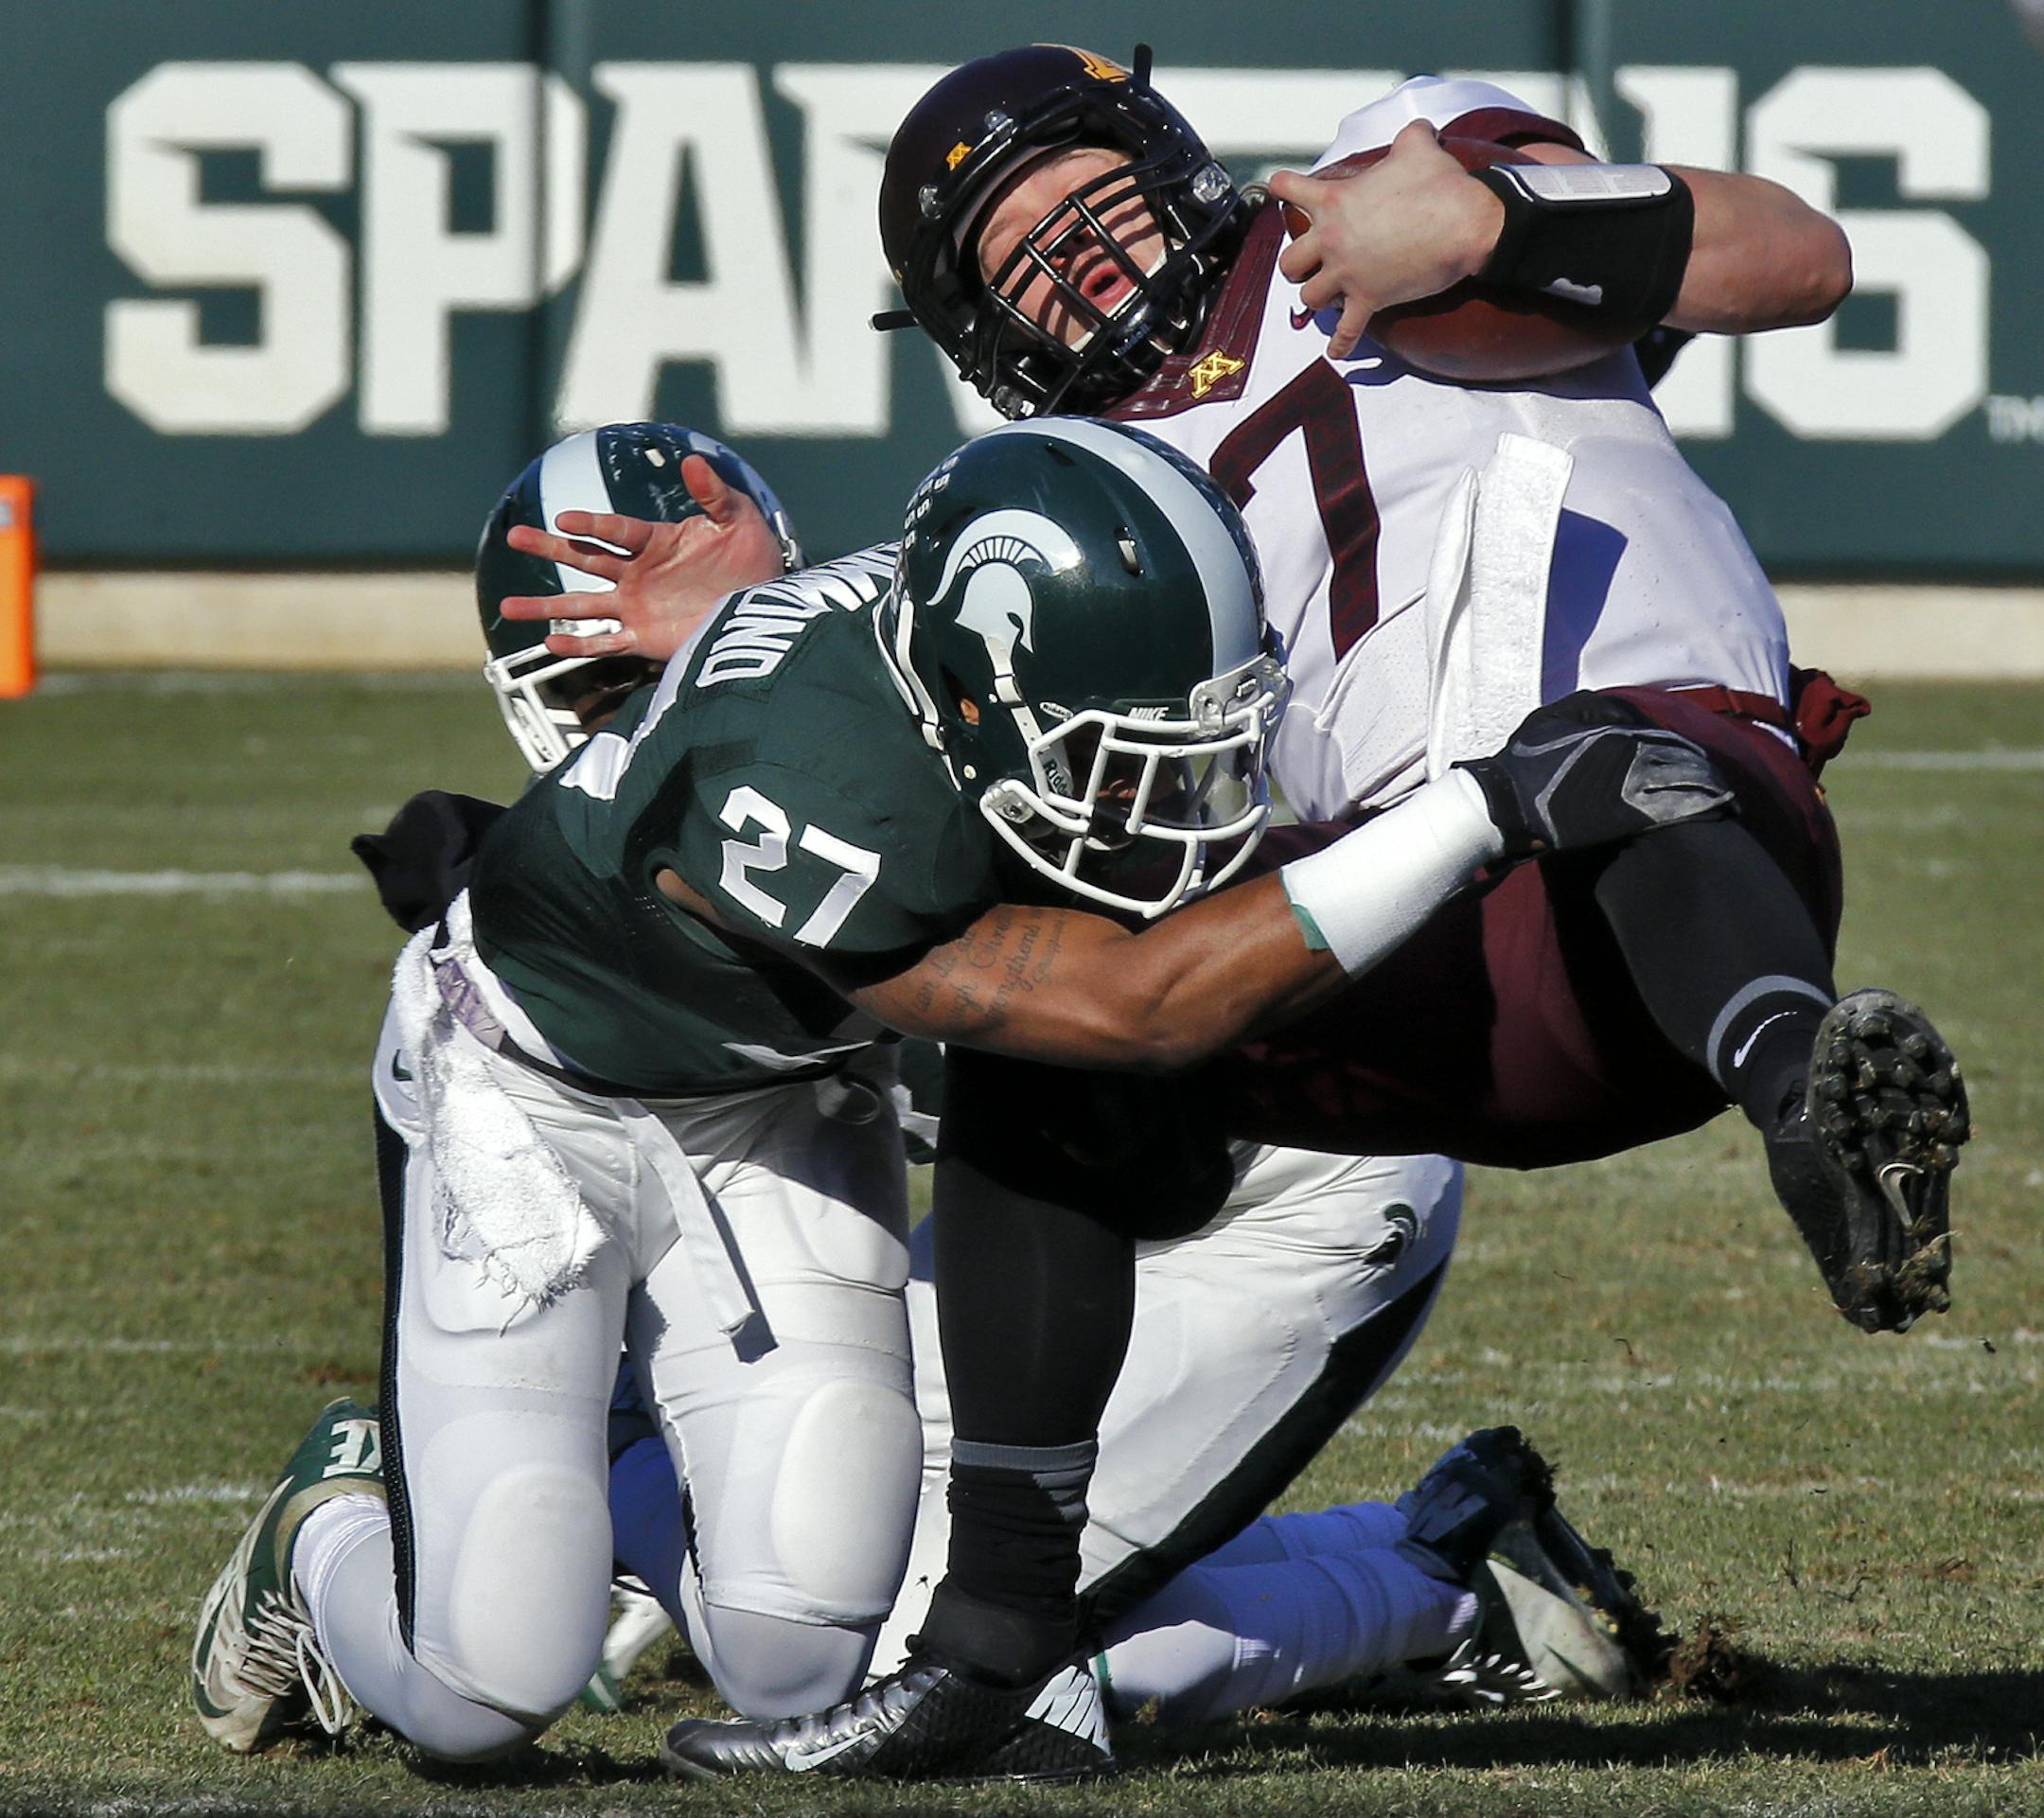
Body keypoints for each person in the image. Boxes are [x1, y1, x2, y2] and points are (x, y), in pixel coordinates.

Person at [641, 51, 1967, 1782]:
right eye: (1013, 254)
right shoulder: (1058, 498)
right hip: (1423, 941)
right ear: (976, 335)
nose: (1069, 253)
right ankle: (994, 1650)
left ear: (1164, 156)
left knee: (1610, 755)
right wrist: (730, 632)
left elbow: (1798, 257)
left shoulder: (1370, 189)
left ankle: (1817, 1109)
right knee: (1052, 1035)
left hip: (1680, 875)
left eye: (1077, 193)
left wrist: (1490, 221)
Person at [191, 417, 1693, 1769]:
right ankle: (335, 1536)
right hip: (563, 1104)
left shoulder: (952, 673)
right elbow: (1127, 1001)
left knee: (842, 1655)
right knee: (491, 1679)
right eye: (1114, 755)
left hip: (1139, 1162)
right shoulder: (816, 776)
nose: (1165, 797)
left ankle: (1424, 1575)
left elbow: (1131, 1005)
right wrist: (1481, 808)